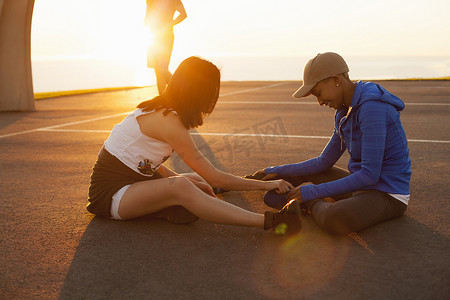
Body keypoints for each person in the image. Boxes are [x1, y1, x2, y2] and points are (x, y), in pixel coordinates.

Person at [87, 56, 302, 235]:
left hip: (134, 181)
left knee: (194, 181)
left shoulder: (163, 110)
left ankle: (172, 208)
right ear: (199, 92)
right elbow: (214, 176)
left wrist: (188, 183)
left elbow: (145, 164)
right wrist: (265, 185)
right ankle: (272, 222)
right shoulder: (169, 122)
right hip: (111, 196)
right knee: (184, 186)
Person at [247, 52, 411, 235]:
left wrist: (312, 193)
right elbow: (323, 162)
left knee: (333, 219)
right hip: (362, 186)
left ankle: (312, 204)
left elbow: (370, 175)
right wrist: (276, 170)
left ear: (336, 80)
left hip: (386, 194)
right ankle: (310, 202)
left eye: (318, 93)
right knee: (274, 193)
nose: (319, 102)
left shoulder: (372, 108)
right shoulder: (344, 111)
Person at [145, 0, 187, 95]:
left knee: (162, 68)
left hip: (166, 36)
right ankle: (162, 96)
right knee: (157, 68)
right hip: (153, 36)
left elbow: (183, 14)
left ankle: (180, 91)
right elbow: (147, 16)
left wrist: (170, 24)